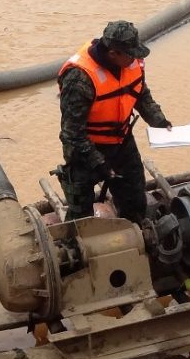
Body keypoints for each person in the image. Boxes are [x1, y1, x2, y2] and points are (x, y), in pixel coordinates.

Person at [58, 20, 171, 222]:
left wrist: (159, 120)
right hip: (85, 149)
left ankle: (136, 230)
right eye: (131, 54)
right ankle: (77, 246)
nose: (135, 58)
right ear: (113, 53)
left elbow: (141, 94)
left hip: (121, 142)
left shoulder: (131, 64)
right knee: (80, 214)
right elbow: (72, 134)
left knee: (134, 198)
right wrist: (98, 163)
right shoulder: (79, 79)